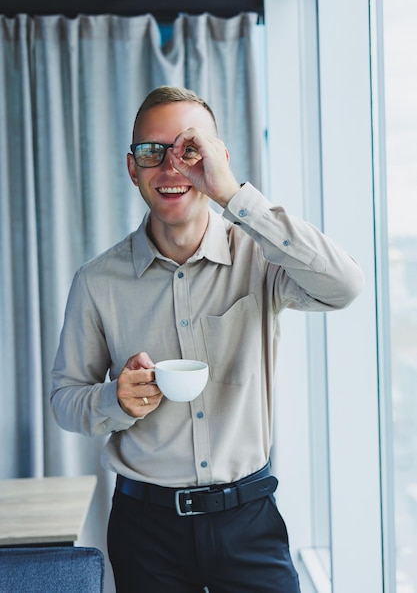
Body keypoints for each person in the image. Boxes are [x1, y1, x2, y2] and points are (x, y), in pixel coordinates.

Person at [51, 85, 364, 593]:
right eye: (154, 152)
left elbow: (345, 286)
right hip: (144, 528)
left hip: (250, 521)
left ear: (215, 159)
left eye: (189, 150)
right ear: (133, 169)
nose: (172, 169)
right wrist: (115, 399)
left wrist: (234, 196)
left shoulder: (262, 257)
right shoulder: (96, 281)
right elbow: (65, 400)